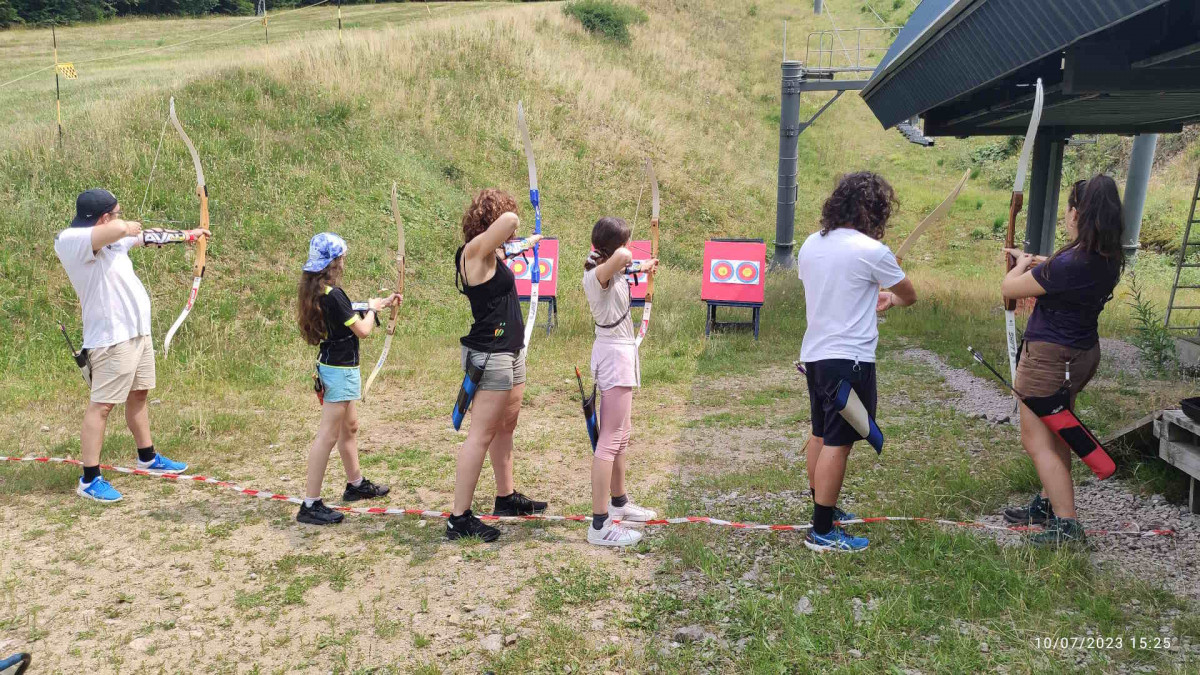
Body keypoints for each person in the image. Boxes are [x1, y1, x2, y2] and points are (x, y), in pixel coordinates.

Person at [54, 189, 208, 503]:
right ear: (103, 218)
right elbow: (124, 230)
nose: (121, 217)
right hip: (110, 338)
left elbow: (149, 236)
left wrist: (190, 235)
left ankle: (147, 457)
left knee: (139, 394)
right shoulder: (71, 240)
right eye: (117, 212)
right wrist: (127, 226)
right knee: (102, 406)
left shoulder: (113, 238)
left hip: (136, 332)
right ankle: (90, 478)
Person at [1000, 175, 1125, 546]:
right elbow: (1064, 269)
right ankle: (1047, 503)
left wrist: (1020, 264)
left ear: (1076, 214)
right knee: (1059, 430)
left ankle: (1067, 526)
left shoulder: (1069, 264)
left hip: (1050, 360)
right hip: (1080, 355)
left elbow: (1010, 288)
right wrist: (1038, 262)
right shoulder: (1106, 257)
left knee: (1037, 440)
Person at [798, 172, 917, 552]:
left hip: (816, 357)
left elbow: (837, 289)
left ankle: (824, 510)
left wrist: (877, 293)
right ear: (875, 211)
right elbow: (909, 294)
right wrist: (891, 296)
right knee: (839, 442)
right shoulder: (872, 251)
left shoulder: (810, 245)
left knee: (821, 434)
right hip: (849, 361)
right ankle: (822, 531)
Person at [450, 189, 548, 542]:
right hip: (490, 355)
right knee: (480, 435)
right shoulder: (473, 252)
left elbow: (508, 242)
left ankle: (505, 498)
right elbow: (509, 223)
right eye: (504, 220)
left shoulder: (490, 253)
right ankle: (458, 519)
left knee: (505, 427)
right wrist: (512, 221)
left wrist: (525, 242)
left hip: (509, 351)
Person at [295, 232, 398, 525]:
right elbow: (362, 330)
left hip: (338, 369)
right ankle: (310, 504)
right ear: (332, 263)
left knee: (348, 428)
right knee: (328, 435)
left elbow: (349, 310)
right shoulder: (333, 295)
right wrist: (375, 310)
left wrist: (381, 303)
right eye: (340, 258)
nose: (343, 262)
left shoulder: (323, 293)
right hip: (339, 372)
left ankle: (355, 484)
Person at [581, 217, 659, 546]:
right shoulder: (596, 273)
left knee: (621, 436)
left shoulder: (610, 268)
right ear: (612, 247)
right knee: (609, 440)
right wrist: (628, 255)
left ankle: (619, 503)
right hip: (613, 357)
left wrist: (646, 265)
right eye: (625, 241)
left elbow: (626, 264)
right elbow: (619, 263)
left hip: (619, 354)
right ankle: (600, 525)